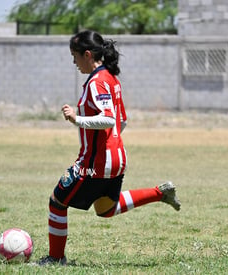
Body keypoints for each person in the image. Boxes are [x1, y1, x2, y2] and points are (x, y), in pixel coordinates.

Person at [38, 30, 181, 266]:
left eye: (74, 57)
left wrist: (77, 119)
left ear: (87, 54)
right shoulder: (112, 78)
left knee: (57, 201)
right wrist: (109, 142)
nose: (74, 63)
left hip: (93, 163)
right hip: (117, 159)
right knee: (105, 209)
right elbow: (122, 120)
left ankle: (55, 258)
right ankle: (160, 193)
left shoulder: (96, 82)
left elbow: (108, 119)